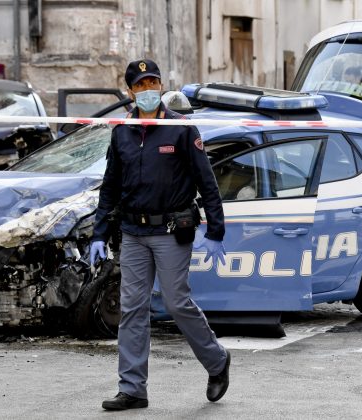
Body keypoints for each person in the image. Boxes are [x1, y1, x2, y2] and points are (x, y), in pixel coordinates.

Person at [90, 59, 230, 411]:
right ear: (130, 91)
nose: (148, 89)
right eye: (141, 84)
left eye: (153, 82)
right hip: (133, 232)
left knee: (176, 302)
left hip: (171, 231)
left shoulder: (182, 129)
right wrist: (98, 233)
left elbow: (207, 182)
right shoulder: (121, 131)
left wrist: (216, 230)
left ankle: (217, 362)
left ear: (161, 86)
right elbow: (110, 187)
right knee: (132, 309)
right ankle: (133, 388)